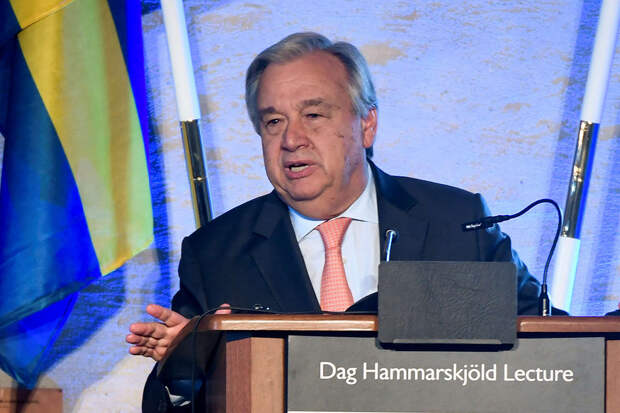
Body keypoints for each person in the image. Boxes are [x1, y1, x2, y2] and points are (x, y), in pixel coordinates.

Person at [127, 32, 553, 412]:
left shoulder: (456, 223)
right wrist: (185, 366)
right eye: (273, 121)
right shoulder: (217, 253)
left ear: (367, 124)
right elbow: (178, 394)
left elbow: (552, 344)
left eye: (313, 115)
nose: (291, 139)